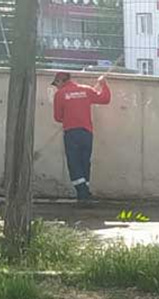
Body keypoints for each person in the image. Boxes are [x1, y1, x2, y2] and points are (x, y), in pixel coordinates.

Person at [51, 71, 111, 204]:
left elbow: (57, 117)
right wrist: (103, 84)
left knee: (74, 162)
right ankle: (85, 193)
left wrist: (68, 117)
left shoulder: (60, 94)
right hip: (86, 132)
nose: (56, 87)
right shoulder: (86, 90)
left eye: (56, 84)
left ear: (61, 81)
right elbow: (105, 99)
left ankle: (83, 193)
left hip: (71, 133)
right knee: (85, 162)